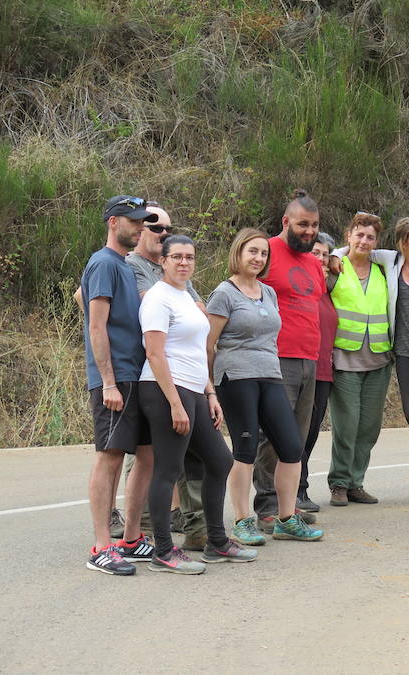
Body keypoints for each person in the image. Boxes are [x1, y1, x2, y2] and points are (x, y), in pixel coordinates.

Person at [139, 235, 257, 574]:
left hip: (192, 388)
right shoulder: (158, 298)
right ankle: (163, 551)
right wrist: (175, 403)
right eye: (176, 257)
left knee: (220, 461)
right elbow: (154, 353)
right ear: (162, 261)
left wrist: (209, 393)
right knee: (168, 468)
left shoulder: (187, 296)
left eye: (189, 257)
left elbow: (196, 351)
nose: (184, 263)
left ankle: (216, 543)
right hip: (164, 389)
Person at [206, 229, 323, 544]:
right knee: (244, 451)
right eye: (252, 252)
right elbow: (208, 344)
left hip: (271, 374)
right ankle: (243, 521)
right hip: (235, 377)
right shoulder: (224, 293)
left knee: (291, 447)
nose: (258, 258)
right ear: (238, 254)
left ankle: (286, 519)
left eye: (263, 254)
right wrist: (210, 389)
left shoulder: (268, 292)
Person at [332, 217, 409, 506]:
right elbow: (348, 249)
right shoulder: (390, 263)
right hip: (405, 352)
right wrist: (332, 256)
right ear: (403, 243)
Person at [123, 203, 207, 551]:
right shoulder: (131, 267)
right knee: (148, 459)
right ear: (140, 229)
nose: (162, 233)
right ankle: (141, 530)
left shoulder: (177, 272)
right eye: (155, 227)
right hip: (148, 373)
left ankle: (189, 525)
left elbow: (201, 311)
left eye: (167, 229)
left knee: (176, 458)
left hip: (185, 375)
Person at [80, 195, 157, 575]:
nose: (140, 226)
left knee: (147, 454)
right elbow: (96, 325)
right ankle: (101, 546)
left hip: (136, 375)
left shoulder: (124, 266)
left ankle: (129, 538)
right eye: (133, 221)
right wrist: (108, 382)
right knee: (110, 457)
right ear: (113, 222)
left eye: (142, 220)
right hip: (116, 378)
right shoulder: (103, 262)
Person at [253, 190, 326, 526]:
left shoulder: (314, 261)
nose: (309, 231)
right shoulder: (265, 252)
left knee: (296, 437)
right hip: (275, 357)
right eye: (302, 225)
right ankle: (266, 506)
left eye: (313, 225)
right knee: (272, 435)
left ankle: (288, 504)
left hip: (309, 358)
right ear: (286, 222)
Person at [326, 211, 393, 506]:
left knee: (369, 426)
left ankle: (356, 482)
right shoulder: (335, 268)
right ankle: (339, 483)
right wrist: (334, 255)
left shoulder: (382, 270)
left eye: (370, 237)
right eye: (359, 235)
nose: (364, 241)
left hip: (378, 358)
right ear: (348, 237)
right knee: (347, 424)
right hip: (344, 358)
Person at [300, 232, 338, 509]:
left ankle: (300, 488)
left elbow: (359, 250)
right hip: (298, 366)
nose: (321, 259)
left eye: (326, 254)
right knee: (294, 433)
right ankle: (289, 492)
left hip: (324, 370)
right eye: (316, 253)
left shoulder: (329, 287)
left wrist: (337, 258)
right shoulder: (299, 283)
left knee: (311, 433)